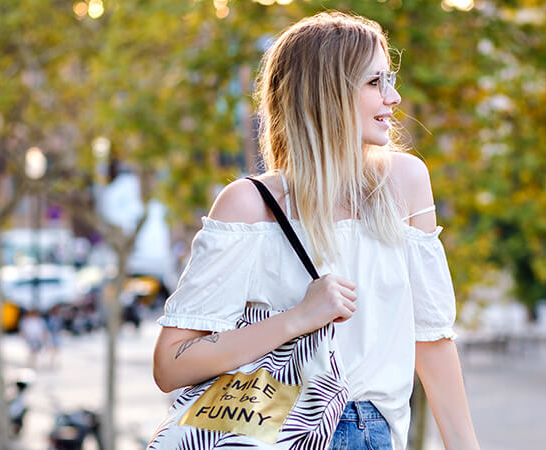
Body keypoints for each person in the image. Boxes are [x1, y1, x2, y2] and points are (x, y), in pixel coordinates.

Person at [151, 12, 479, 450]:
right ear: (327, 94)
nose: (394, 97)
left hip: (373, 432)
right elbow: (171, 364)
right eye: (374, 82)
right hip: (277, 427)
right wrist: (297, 319)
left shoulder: (405, 183)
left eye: (390, 80)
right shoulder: (250, 205)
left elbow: (432, 341)